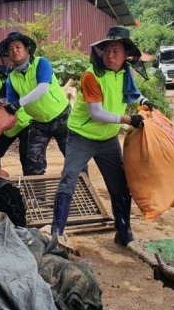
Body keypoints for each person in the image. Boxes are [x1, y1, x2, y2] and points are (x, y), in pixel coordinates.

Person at [50, 26, 154, 247]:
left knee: (119, 186)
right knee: (68, 180)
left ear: (126, 55)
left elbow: (132, 93)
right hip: (82, 136)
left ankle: (124, 233)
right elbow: (97, 114)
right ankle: (56, 234)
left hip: (108, 140)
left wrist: (143, 101)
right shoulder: (91, 75)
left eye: (116, 51)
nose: (110, 55)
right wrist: (130, 120)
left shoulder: (125, 72)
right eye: (107, 50)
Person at [0, 31, 70, 175]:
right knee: (32, 161)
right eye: (10, 49)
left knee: (72, 156)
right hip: (38, 122)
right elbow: (12, 104)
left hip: (61, 116)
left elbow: (42, 88)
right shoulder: (11, 78)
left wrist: (17, 104)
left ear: (27, 49)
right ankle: (37, 197)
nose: (14, 51)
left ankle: (85, 188)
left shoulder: (41, 63)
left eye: (18, 47)